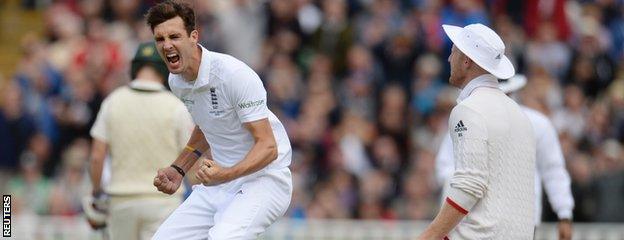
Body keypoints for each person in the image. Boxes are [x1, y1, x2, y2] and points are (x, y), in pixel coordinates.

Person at [146, 1, 293, 239]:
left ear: (194, 36)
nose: (167, 45)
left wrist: (226, 173)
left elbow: (268, 147)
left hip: (265, 181)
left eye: (174, 36)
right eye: (160, 39)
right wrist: (178, 168)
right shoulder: (177, 81)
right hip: (220, 184)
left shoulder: (233, 74)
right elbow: (207, 125)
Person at [417, 24, 536, 240]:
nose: (448, 59)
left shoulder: (468, 110)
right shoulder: (520, 115)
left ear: (466, 61)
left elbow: (469, 184)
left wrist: (430, 235)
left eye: (453, 52)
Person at [435, 75, 574, 240]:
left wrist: (564, 213)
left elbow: (553, 170)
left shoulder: (537, 124)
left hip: (521, 218)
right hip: (473, 220)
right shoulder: (468, 118)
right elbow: (446, 168)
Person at [85, 42, 194, 240]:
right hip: (163, 202)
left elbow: (96, 157)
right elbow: (192, 156)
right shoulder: (176, 107)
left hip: (121, 200)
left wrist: (97, 193)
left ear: (134, 68)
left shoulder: (113, 102)